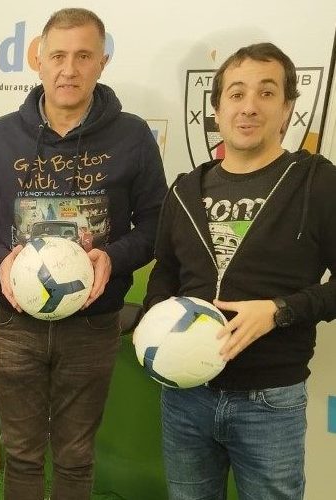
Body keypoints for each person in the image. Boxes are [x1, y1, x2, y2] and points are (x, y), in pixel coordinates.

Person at [0, 8, 167, 499]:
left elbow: (157, 224)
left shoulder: (133, 136)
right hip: (14, 325)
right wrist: (0, 261)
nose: (69, 69)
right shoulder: (1, 135)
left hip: (93, 325)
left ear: (102, 62)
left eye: (83, 56)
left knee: (75, 457)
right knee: (22, 456)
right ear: (39, 61)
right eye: (58, 56)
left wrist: (113, 257)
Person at [144, 42, 336, 499]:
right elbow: (165, 274)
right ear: (216, 109)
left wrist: (279, 310)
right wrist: (154, 324)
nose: (249, 106)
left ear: (287, 108)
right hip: (185, 394)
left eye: (266, 93)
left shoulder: (317, 183)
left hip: (270, 400)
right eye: (236, 93)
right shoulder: (184, 190)